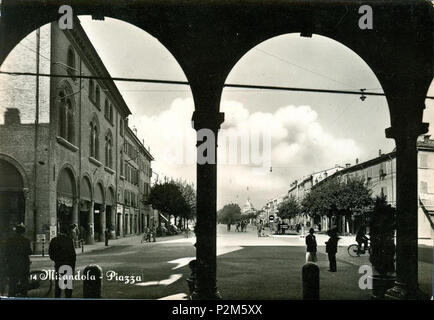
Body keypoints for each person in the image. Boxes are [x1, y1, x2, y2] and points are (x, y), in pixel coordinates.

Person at [4, 223, 32, 297]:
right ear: (23, 232)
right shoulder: (26, 240)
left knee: (12, 281)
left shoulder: (9, 240)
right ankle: (23, 295)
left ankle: (11, 295)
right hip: (23, 263)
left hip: (12, 263)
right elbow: (29, 252)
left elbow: (6, 252)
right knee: (24, 280)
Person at [49, 224, 76, 298]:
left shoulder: (54, 240)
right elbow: (73, 255)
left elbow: (51, 253)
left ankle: (57, 297)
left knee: (58, 285)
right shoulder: (69, 240)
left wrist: (56, 260)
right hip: (68, 265)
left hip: (58, 265)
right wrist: (72, 267)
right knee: (68, 286)